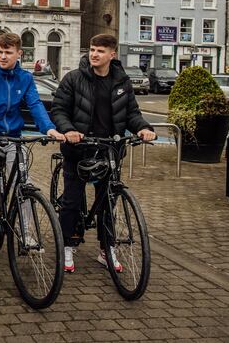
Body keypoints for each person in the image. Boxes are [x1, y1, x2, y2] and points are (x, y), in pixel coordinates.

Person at [49, 34, 156, 273]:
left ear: (112, 54)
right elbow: (58, 111)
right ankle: (67, 245)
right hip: (79, 149)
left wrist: (144, 128)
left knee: (108, 202)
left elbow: (132, 113)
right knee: (72, 200)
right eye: (92, 49)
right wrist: (68, 130)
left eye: (100, 50)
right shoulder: (74, 79)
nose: (94, 54)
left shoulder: (122, 81)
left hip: (110, 150)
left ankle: (106, 249)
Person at [0, 32, 65, 268]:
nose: (3, 56)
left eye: (8, 52)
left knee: (24, 184)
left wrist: (48, 129)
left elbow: (35, 104)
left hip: (13, 139)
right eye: (0, 51)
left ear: (19, 54)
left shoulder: (25, 78)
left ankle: (27, 234)